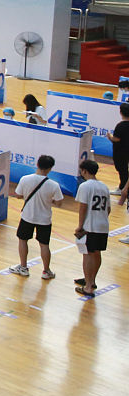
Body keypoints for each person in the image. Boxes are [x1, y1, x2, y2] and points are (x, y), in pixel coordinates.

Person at [8, 155, 63, 280]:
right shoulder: (54, 185)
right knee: (44, 244)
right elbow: (59, 203)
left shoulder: (25, 179)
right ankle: (46, 271)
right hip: (44, 219)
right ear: (50, 168)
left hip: (27, 216)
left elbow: (18, 195)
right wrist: (49, 200)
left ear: (37, 164)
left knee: (23, 240)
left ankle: (23, 267)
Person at [73, 160, 110, 296]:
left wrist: (80, 226)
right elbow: (108, 209)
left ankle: (88, 287)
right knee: (96, 253)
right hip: (103, 225)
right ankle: (91, 280)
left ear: (84, 171)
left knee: (87, 253)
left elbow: (83, 207)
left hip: (90, 226)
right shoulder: (104, 187)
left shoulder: (85, 186)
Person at [111, 103, 129, 206]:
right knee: (124, 170)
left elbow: (116, 139)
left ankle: (123, 188)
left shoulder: (121, 126)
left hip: (120, 151)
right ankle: (123, 186)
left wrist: (109, 137)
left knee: (122, 169)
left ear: (121, 112)